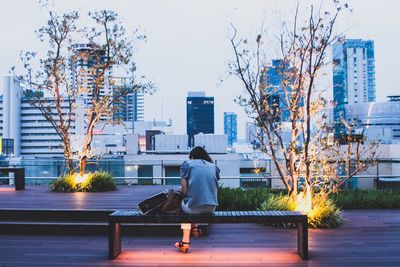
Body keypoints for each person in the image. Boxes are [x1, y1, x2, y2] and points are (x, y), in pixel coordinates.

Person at [175, 146, 219, 253]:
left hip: (194, 208)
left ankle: (185, 242)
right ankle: (195, 228)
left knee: (183, 203)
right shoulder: (214, 167)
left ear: (192, 157)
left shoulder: (187, 165)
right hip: (211, 207)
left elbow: (185, 192)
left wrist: (180, 190)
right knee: (193, 200)